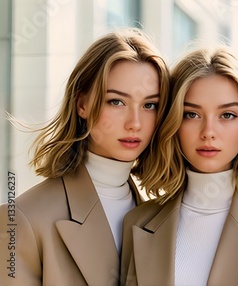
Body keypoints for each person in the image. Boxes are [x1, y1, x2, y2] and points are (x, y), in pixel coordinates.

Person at [120, 47, 238, 286]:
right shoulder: (136, 222)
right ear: (173, 120)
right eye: (191, 114)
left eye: (228, 115)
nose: (208, 133)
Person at [0, 28, 170, 286]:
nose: (135, 123)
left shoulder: (163, 219)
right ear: (82, 104)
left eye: (150, 105)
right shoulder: (22, 220)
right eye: (116, 102)